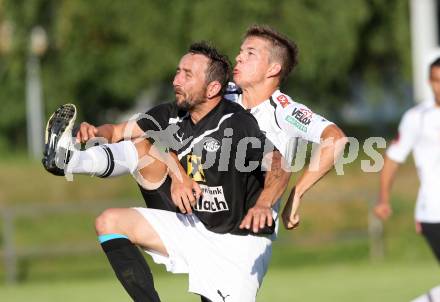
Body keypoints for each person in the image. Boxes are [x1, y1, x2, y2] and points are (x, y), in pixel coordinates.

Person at [43, 42, 290, 302]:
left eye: (187, 75)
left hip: (237, 246)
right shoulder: (171, 113)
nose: (176, 80)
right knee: (110, 219)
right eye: (178, 71)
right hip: (194, 226)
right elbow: (116, 132)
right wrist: (94, 133)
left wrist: (263, 204)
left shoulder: (236, 123)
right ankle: (70, 161)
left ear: (213, 88)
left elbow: (280, 165)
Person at [374, 57, 440, 301]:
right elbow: (392, 159)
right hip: (433, 212)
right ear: (429, 82)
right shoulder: (416, 118)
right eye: (435, 81)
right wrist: (383, 198)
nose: (439, 87)